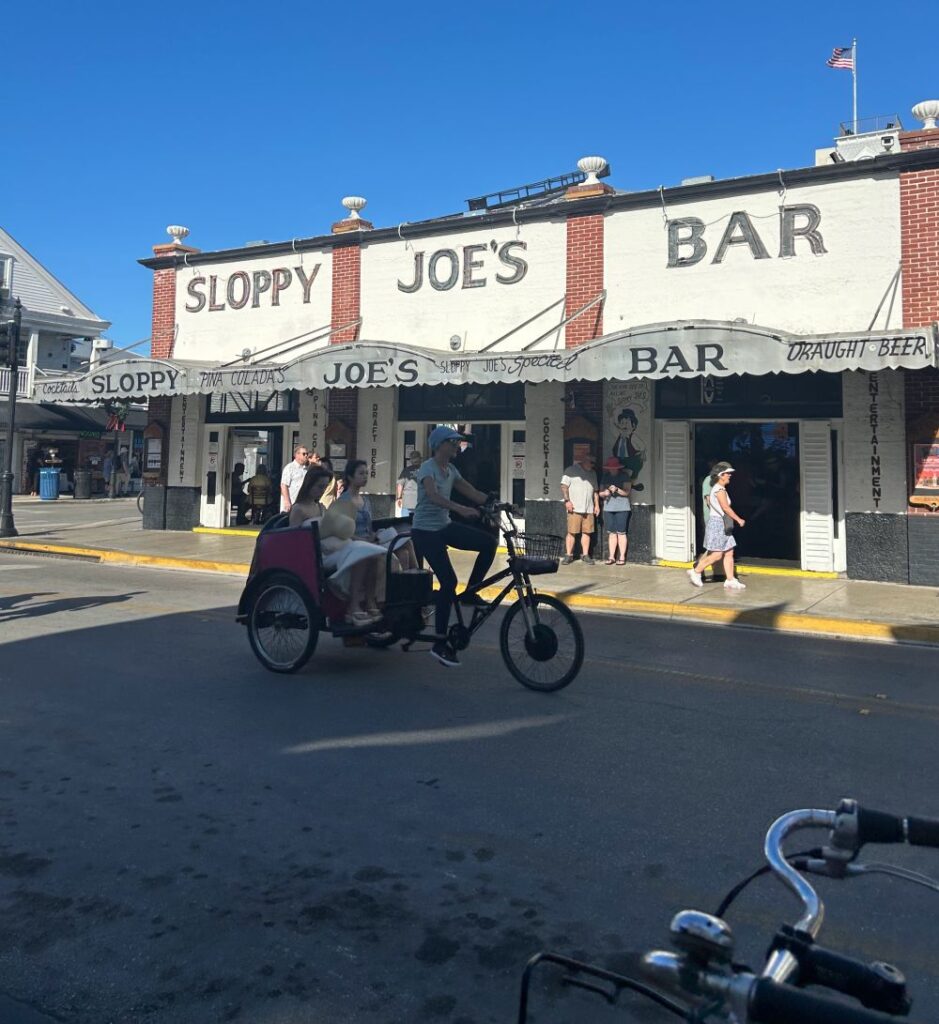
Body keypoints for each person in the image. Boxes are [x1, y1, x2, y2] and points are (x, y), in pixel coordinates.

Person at [410, 426, 497, 668]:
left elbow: (471, 492)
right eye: (453, 442)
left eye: (458, 442)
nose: (457, 445)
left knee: (488, 543)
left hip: (444, 526)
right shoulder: (428, 468)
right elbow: (432, 495)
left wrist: (496, 503)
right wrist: (460, 509)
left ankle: (470, 592)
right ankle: (439, 642)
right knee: (448, 582)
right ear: (440, 445)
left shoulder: (451, 469)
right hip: (425, 532)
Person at [288, 467, 385, 624]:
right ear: (309, 484)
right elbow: (293, 539)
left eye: (325, 487)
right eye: (319, 486)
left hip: (340, 546)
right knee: (361, 555)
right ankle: (353, 606)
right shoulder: (298, 509)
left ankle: (369, 601)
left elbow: (336, 529)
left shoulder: (321, 507)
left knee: (372, 554)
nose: (322, 491)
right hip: (320, 554)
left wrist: (360, 539)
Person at [338, 459, 418, 569]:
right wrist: (366, 540)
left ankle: (416, 579)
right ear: (350, 476)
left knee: (406, 546)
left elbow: (369, 526)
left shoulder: (365, 500)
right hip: (357, 544)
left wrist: (375, 535)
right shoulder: (344, 501)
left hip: (372, 540)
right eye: (361, 473)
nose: (365, 476)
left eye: (366, 473)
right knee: (400, 554)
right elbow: (343, 533)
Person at [688, 463, 747, 590]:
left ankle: (730, 579)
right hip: (718, 524)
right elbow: (725, 507)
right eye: (727, 473)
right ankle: (696, 571)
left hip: (721, 523)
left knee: (729, 552)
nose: (730, 475)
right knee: (717, 554)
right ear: (721, 476)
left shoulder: (720, 488)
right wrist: (738, 519)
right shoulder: (719, 490)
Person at [561, 452, 600, 565]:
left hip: (588, 508)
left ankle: (585, 554)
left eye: (594, 463)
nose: (592, 465)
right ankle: (568, 555)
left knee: (587, 532)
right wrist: (567, 501)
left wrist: (597, 505)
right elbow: (564, 486)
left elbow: (595, 491)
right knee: (572, 532)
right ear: (584, 460)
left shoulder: (593, 473)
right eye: (590, 462)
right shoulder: (571, 470)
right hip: (575, 507)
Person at [598, 456, 632, 565]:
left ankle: (622, 557)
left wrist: (617, 489)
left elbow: (627, 492)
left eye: (614, 468)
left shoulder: (624, 476)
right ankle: (611, 557)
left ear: (618, 468)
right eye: (610, 468)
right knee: (611, 533)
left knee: (621, 532)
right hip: (608, 508)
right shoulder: (605, 476)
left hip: (622, 508)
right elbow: (600, 492)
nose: (612, 469)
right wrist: (605, 493)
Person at [279, 445, 309, 513]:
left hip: (301, 505)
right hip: (291, 504)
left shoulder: (306, 469)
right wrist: (287, 501)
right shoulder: (289, 468)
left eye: (307, 454)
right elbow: (284, 485)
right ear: (296, 455)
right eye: (304, 454)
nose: (306, 456)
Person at [395, 450, 423, 517]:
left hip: (407, 502)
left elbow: (400, 484)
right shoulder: (425, 469)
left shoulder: (406, 470)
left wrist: (399, 498)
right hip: (421, 502)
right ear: (421, 459)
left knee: (405, 524)